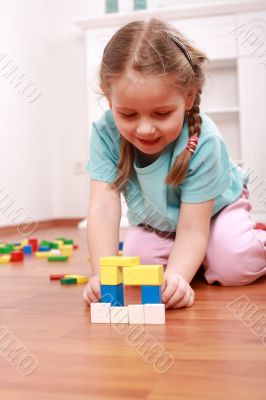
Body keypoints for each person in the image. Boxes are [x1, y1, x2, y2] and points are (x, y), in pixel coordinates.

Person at [83, 18, 266, 309]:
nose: (145, 129)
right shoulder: (104, 134)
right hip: (160, 223)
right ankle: (202, 257)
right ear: (109, 99)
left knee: (233, 265)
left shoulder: (204, 140)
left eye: (161, 113)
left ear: (189, 96)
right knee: (138, 269)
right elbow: (103, 209)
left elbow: (194, 227)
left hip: (215, 213)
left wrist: (178, 276)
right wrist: (104, 276)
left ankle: (242, 241)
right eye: (129, 115)